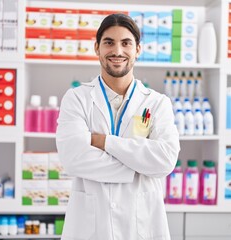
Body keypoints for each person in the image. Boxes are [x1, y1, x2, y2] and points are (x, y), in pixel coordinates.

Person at [56, 13, 180, 240]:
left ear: (138, 49)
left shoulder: (156, 102)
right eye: (109, 42)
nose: (117, 51)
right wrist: (138, 164)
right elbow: (73, 159)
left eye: (126, 43)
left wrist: (103, 141)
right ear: (97, 48)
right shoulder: (77, 98)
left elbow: (165, 161)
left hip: (141, 227)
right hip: (91, 228)